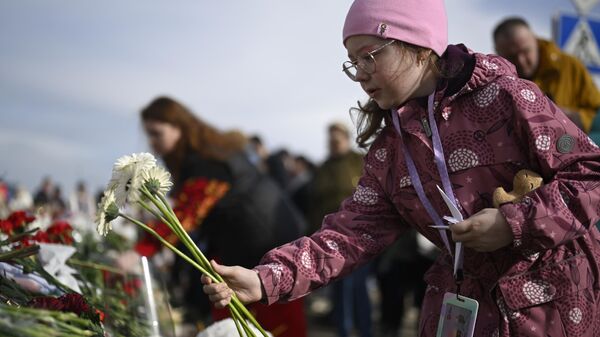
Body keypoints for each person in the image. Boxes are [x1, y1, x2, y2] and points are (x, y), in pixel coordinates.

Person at [201, 1, 600, 336]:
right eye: (352, 62)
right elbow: (347, 236)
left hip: (555, 307)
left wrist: (513, 223)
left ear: (420, 45)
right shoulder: (389, 151)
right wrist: (266, 278)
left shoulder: (507, 97)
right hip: (470, 312)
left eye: (370, 56)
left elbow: (591, 175)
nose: (359, 73)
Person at [137, 96, 307, 337]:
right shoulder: (207, 152)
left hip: (265, 246)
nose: (152, 143)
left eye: (157, 133)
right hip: (257, 242)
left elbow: (185, 216)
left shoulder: (205, 159)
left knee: (274, 320)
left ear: (178, 126)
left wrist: (141, 249)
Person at [309, 122, 371, 337]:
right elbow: (315, 203)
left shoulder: (359, 161)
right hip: (331, 238)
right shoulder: (323, 168)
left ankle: (366, 331)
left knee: (359, 288)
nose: (333, 144)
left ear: (346, 139)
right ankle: (343, 331)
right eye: (330, 141)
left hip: (360, 236)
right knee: (340, 290)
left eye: (337, 140)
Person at [494, 17, 600, 133]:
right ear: (498, 53)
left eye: (526, 51)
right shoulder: (493, 82)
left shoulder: (569, 67)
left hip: (571, 147)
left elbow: (596, 114)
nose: (521, 61)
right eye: (511, 56)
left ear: (535, 40)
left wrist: (569, 117)